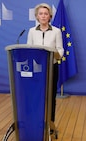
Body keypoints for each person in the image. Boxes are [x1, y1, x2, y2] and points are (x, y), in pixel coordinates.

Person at [27, 3, 64, 133]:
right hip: (36, 70)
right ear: (37, 16)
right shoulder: (32, 31)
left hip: (51, 68)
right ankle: (36, 123)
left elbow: (60, 51)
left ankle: (50, 125)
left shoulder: (56, 31)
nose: (43, 16)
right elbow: (28, 49)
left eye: (46, 14)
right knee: (36, 97)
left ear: (50, 16)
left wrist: (53, 51)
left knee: (50, 97)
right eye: (41, 14)